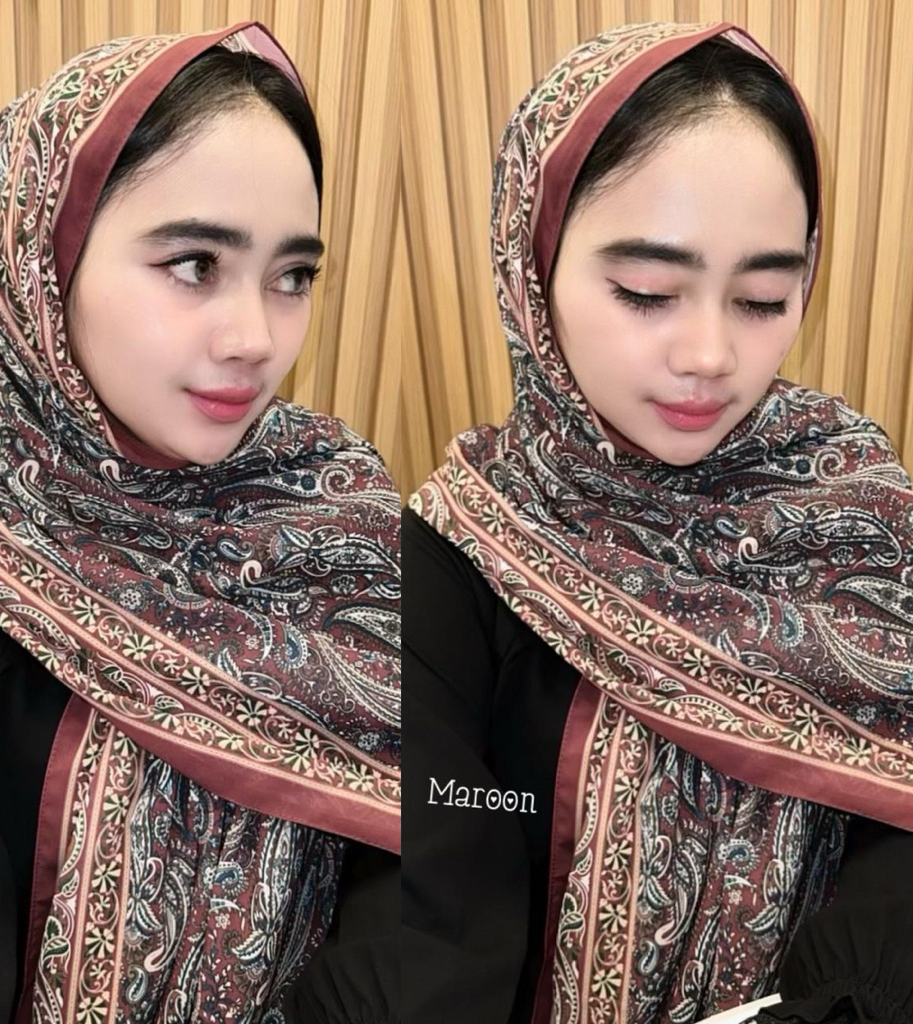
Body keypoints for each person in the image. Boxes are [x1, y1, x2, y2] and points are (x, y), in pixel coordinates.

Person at [403, 21, 913, 1024]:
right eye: (646, 292)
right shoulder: (458, 550)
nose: (710, 355)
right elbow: (435, 882)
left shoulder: (860, 519)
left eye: (762, 297)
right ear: (531, 267)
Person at [0, 22, 399, 1024]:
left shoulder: (347, 520)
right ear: (41, 268)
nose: (255, 337)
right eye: (195, 263)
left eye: (293, 275)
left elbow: (423, 887)